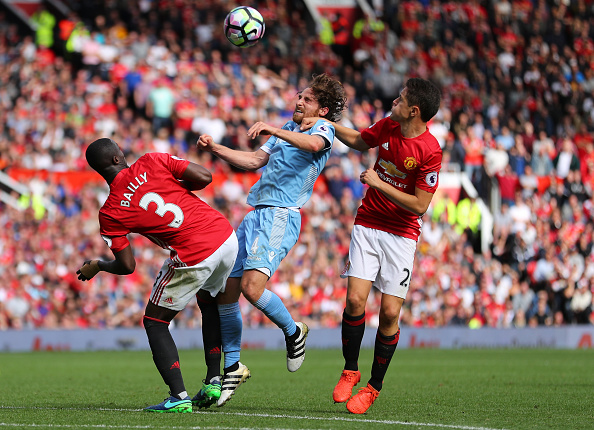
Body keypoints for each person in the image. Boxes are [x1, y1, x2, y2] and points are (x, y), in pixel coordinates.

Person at [302, 77, 442, 414]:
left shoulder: (430, 150)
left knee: (391, 313)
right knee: (354, 301)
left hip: (402, 234)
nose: (394, 100)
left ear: (414, 110)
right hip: (369, 222)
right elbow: (361, 140)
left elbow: (420, 205)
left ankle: (373, 387)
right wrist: (327, 124)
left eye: (401, 98)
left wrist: (379, 182)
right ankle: (350, 369)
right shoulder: (389, 125)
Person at [76, 138, 247, 412]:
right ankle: (214, 380)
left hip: (196, 250)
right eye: (122, 150)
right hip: (224, 235)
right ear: (118, 158)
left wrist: (97, 265)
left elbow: (127, 266)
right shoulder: (151, 161)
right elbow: (204, 176)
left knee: (155, 321)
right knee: (208, 299)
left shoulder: (110, 213)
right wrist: (174, 189)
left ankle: (179, 397)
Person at [196, 73, 347, 379]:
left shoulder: (324, 129)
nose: (299, 101)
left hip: (281, 214)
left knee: (252, 289)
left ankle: (293, 332)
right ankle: (233, 366)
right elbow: (254, 160)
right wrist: (216, 149)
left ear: (323, 110)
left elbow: (314, 144)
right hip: (255, 214)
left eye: (307, 99)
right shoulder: (286, 129)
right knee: (227, 291)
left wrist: (273, 127)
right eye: (300, 96)